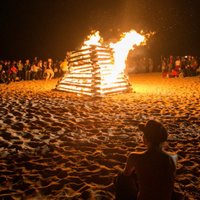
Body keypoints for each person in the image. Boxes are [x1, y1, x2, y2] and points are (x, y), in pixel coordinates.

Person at [114, 120, 184, 200]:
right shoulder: (173, 157)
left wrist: (119, 169)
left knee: (121, 177)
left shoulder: (135, 157)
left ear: (145, 138)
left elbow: (126, 174)